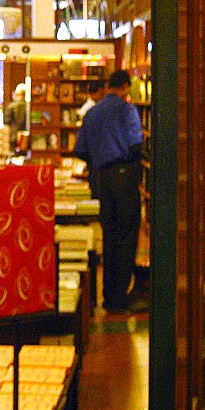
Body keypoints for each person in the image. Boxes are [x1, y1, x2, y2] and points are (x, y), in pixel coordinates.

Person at [72, 70, 145, 313]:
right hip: (123, 177)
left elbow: (80, 149)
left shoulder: (92, 113)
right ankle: (118, 297)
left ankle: (106, 293)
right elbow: (135, 144)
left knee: (109, 234)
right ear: (125, 87)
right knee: (126, 236)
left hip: (100, 178)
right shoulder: (127, 110)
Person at [5, 83, 28, 150]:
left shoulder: (11, 106)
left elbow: (6, 121)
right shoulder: (29, 106)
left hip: (12, 136)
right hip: (26, 136)